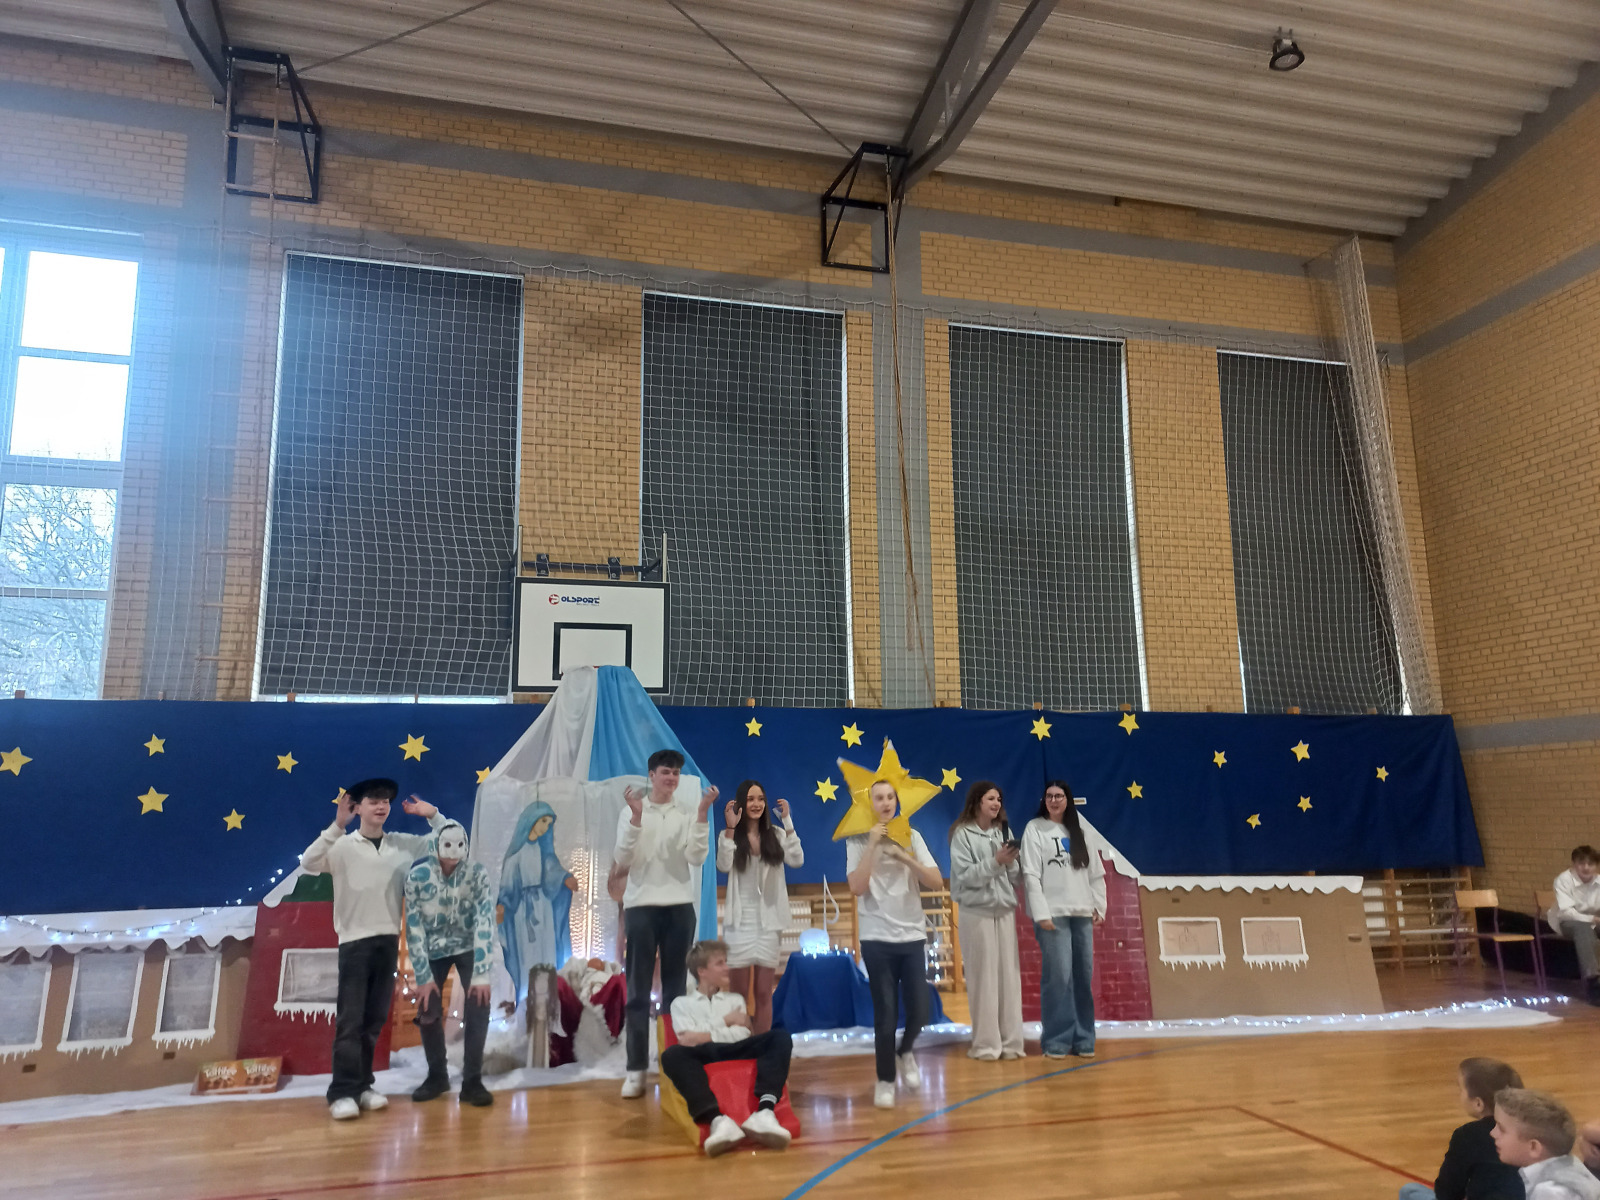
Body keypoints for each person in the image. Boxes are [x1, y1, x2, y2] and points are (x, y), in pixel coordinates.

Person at [299, 778, 447, 1121]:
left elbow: (448, 844)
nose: (381, 806)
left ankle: (363, 1086)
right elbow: (309, 861)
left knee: (373, 1022)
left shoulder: (400, 845)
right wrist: (337, 825)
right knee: (350, 1023)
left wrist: (433, 815)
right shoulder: (342, 846)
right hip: (354, 944)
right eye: (373, 801)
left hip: (387, 941)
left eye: (386, 801)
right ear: (358, 807)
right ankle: (341, 1092)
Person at [614, 748, 717, 1099]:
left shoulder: (686, 813)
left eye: (675, 773)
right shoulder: (631, 811)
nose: (671, 778)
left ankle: (673, 1065)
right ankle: (635, 1070)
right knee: (638, 991)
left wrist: (702, 814)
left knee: (676, 993)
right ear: (652, 775)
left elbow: (696, 857)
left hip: (678, 907)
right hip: (641, 907)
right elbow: (623, 857)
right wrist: (636, 818)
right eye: (665, 772)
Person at [846, 779, 944, 1109]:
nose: (886, 802)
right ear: (870, 804)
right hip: (876, 937)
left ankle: (905, 1051)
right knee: (885, 1015)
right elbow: (857, 887)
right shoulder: (857, 839)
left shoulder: (912, 836)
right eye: (879, 798)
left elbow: (935, 880)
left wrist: (906, 858)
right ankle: (885, 1079)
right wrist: (873, 843)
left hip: (912, 935)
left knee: (921, 1010)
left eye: (890, 797)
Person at [660, 939, 794, 1157]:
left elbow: (742, 1034)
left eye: (726, 962)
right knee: (672, 1055)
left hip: (736, 1048)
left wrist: (704, 1034)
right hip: (702, 1054)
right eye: (719, 963)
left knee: (779, 1037)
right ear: (702, 971)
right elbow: (686, 1040)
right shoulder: (681, 1004)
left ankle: (765, 1112)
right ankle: (717, 1120)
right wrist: (726, 1021)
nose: (727, 967)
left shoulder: (735, 999)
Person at [405, 820, 495, 1107]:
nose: (454, 851)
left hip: (468, 946)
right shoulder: (418, 877)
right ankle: (437, 1075)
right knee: (428, 1007)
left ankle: (472, 1080)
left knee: (479, 1004)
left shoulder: (477, 874)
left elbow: (485, 919)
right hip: (432, 949)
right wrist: (422, 976)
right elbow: (414, 926)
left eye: (460, 845)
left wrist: (481, 973)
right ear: (436, 846)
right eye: (447, 845)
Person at [1020, 780, 1105, 1060]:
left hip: (1082, 912)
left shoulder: (1081, 831)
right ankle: (1056, 1039)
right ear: (1044, 801)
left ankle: (1083, 1038)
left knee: (1082, 976)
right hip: (1053, 914)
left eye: (1059, 796)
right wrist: (1041, 913)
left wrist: (1099, 906)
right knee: (1059, 977)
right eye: (1049, 796)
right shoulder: (1035, 829)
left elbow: (1095, 873)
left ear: (1067, 799)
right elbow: (1031, 874)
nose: (1054, 800)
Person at [717, 779, 803, 1034]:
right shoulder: (729, 835)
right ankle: (740, 1044)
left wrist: (787, 822)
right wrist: (730, 828)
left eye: (761, 799)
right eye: (751, 799)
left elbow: (797, 860)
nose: (756, 804)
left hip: (769, 924)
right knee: (738, 994)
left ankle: (762, 1046)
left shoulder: (776, 834)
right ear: (741, 803)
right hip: (739, 923)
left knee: (764, 992)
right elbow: (723, 865)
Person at [948, 780, 1024, 1062]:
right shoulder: (962, 834)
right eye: (991, 799)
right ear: (978, 801)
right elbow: (965, 876)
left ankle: (1012, 1044)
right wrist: (996, 861)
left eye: (999, 800)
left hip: (1003, 910)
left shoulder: (1003, 831)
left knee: (1008, 978)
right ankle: (987, 1045)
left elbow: (1015, 877)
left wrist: (1012, 861)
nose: (996, 804)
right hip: (976, 911)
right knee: (984, 979)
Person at [1397, 1057, 1525, 1200]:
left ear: (1478, 1104)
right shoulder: (1534, 1130)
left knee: (1409, 1191)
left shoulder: (1467, 1135)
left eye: (1461, 1089)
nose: (1458, 1094)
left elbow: (1446, 1193)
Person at [497, 799, 578, 1006]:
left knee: (547, 954)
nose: (545, 827)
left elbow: (552, 870)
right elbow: (508, 887)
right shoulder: (516, 856)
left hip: (544, 909)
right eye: (543, 821)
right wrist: (502, 905)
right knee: (528, 957)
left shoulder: (544, 853)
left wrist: (565, 878)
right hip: (524, 913)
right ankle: (527, 1003)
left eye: (549, 823)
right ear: (530, 820)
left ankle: (550, 1002)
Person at [1492, 1089, 1600, 1199]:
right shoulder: (1572, 1167)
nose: (1493, 1133)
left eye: (1502, 1129)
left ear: (1533, 1147)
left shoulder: (1550, 1192)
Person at [1549, 846, 1600, 1005]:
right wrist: (1591, 919)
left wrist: (1594, 919)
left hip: (1594, 920)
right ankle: (1594, 984)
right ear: (1574, 864)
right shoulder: (1563, 880)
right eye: (1581, 863)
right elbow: (1567, 912)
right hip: (1567, 921)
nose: (1586, 867)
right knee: (1583, 929)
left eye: (1590, 864)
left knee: (1587, 928)